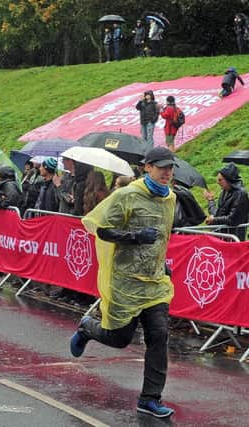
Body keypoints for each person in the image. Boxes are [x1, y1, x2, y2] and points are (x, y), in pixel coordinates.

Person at [70, 147, 177, 419]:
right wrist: (135, 236)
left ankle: (150, 398)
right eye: (161, 167)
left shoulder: (170, 199)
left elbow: (163, 237)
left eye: (170, 167)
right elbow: (102, 228)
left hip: (155, 283)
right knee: (119, 338)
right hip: (125, 281)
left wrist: (160, 261)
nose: (167, 172)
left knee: (159, 335)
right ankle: (87, 328)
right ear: (147, 167)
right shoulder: (127, 195)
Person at [203, 162, 249, 241]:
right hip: (222, 236)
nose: (217, 182)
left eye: (220, 180)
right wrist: (211, 200)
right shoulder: (224, 191)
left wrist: (214, 220)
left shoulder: (240, 194)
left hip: (233, 238)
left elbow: (233, 219)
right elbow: (218, 213)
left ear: (229, 179)